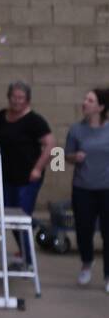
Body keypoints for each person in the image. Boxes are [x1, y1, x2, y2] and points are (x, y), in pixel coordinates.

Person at [0, 80, 53, 265]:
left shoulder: (35, 120)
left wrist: (38, 168)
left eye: (21, 98)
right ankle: (32, 235)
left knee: (21, 217)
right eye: (14, 97)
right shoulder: (2, 116)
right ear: (8, 97)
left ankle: (28, 260)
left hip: (28, 178)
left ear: (27, 100)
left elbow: (51, 145)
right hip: (7, 176)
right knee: (9, 217)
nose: (17, 101)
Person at [67, 88, 109, 291]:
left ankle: (108, 275)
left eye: (90, 100)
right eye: (85, 99)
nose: (84, 103)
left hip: (107, 189)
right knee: (84, 230)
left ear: (100, 107)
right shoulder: (75, 130)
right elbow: (61, 157)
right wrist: (74, 158)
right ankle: (86, 263)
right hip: (82, 188)